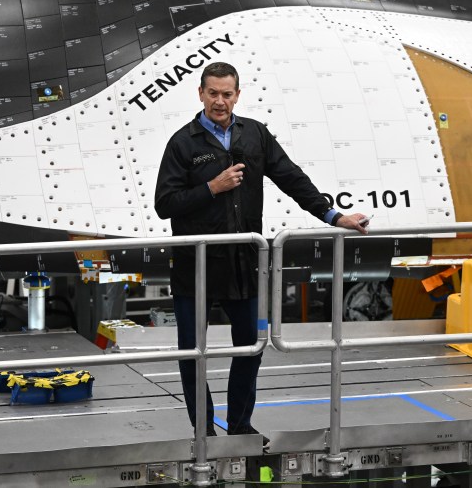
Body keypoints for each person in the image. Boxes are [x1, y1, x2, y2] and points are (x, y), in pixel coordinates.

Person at [153, 61, 369, 438]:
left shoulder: (254, 134)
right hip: (195, 266)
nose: (220, 101)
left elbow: (291, 178)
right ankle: (203, 431)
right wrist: (212, 188)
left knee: (252, 347)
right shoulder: (182, 143)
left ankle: (240, 426)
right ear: (200, 93)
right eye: (213, 93)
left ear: (238, 95)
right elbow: (164, 204)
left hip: (243, 264)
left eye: (227, 94)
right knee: (192, 353)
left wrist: (334, 216)